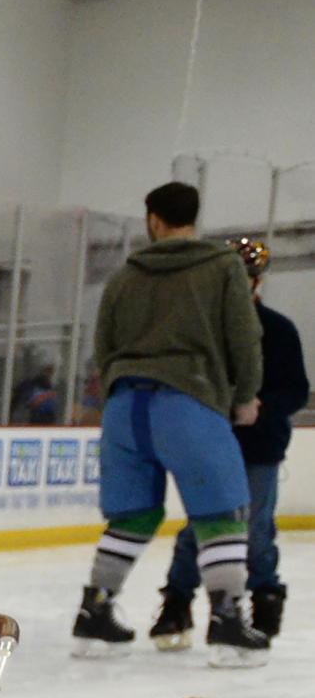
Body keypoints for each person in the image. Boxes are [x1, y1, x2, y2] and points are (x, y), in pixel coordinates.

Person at [71, 179, 268, 665]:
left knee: (133, 514)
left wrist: (120, 382)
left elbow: (104, 344)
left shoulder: (125, 275)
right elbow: (244, 337)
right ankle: (226, 621)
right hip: (190, 400)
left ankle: (94, 612)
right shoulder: (222, 268)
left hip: (125, 408)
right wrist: (244, 396)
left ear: (154, 220)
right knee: (221, 511)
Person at [151, 236, 307, 649]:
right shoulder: (201, 333)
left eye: (247, 278)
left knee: (254, 527)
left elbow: (296, 390)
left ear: (256, 283)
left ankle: (264, 600)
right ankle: (177, 604)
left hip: (259, 447)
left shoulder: (277, 330)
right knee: (200, 526)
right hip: (206, 443)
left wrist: (260, 406)